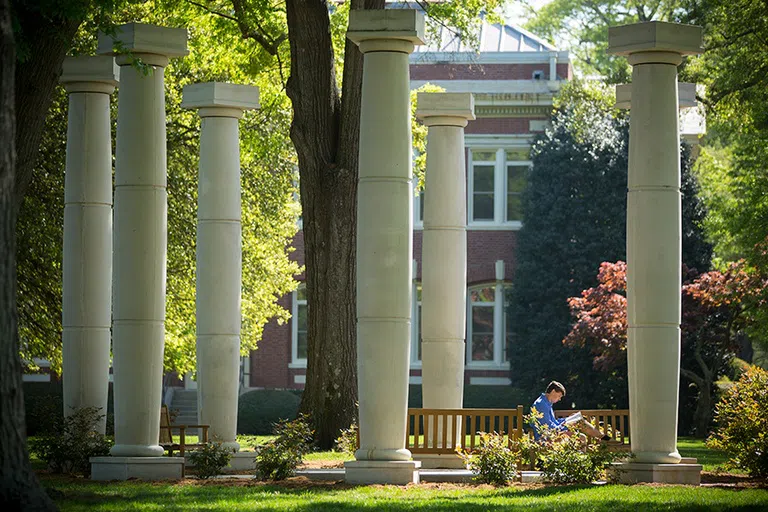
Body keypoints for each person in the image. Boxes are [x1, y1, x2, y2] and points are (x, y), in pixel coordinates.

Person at [529, 380, 610, 442]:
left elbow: (553, 423)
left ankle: (604, 437)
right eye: (559, 396)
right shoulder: (541, 404)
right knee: (580, 430)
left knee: (578, 420)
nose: (559, 399)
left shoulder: (546, 402)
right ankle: (605, 438)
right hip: (547, 438)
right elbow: (548, 429)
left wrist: (566, 419)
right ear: (553, 391)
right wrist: (566, 423)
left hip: (552, 433)